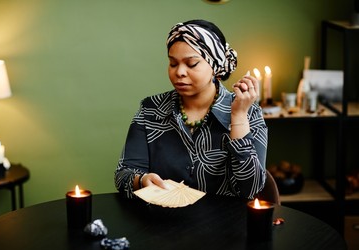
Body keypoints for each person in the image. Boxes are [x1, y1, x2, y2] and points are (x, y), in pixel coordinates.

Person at [115, 19, 268, 199]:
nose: (179, 72)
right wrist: (141, 180)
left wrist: (239, 116)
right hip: (163, 223)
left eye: (192, 64)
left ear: (215, 66)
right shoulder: (150, 110)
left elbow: (251, 189)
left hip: (225, 224)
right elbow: (123, 175)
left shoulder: (249, 111)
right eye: (173, 63)